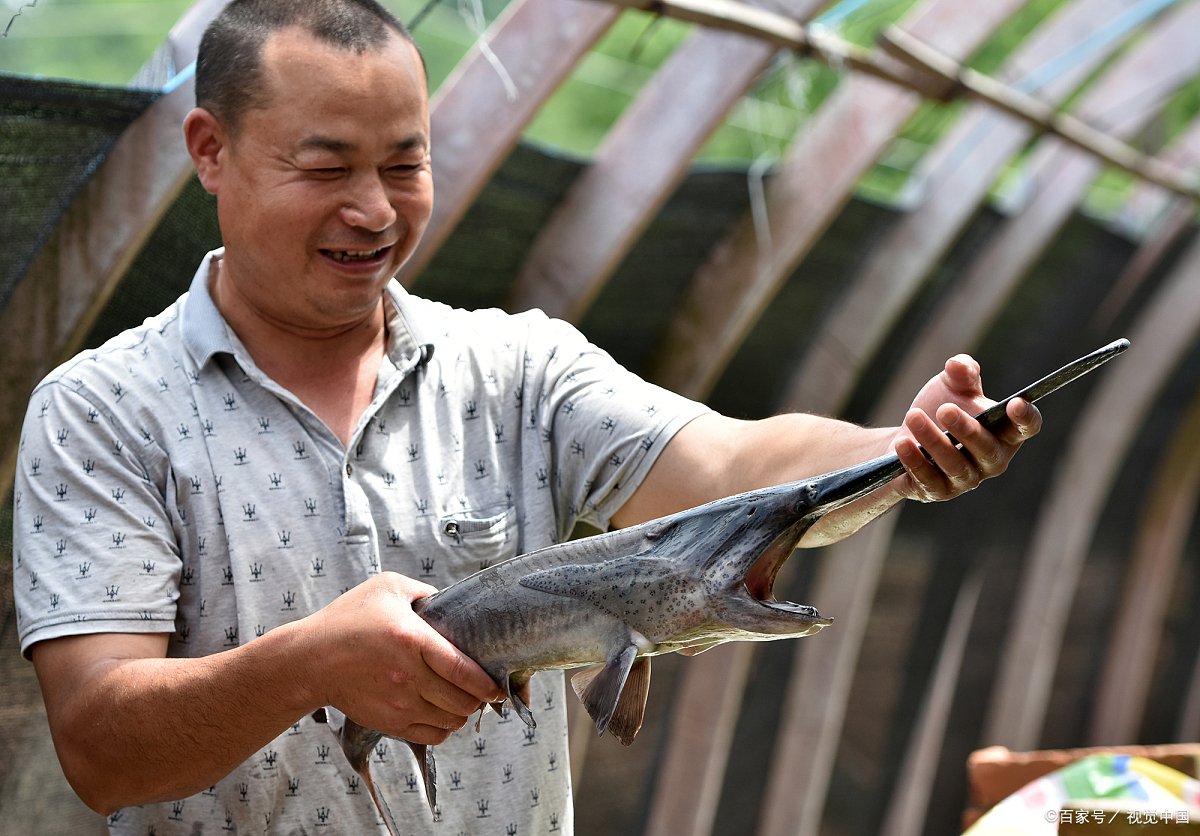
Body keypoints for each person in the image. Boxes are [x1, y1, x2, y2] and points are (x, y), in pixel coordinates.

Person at [11, 0, 1041, 833]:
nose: (374, 209)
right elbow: (102, 747)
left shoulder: (515, 368)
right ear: (209, 151)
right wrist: (310, 661)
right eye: (325, 166)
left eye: (404, 163)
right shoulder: (106, 412)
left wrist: (899, 451)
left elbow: (732, 463)